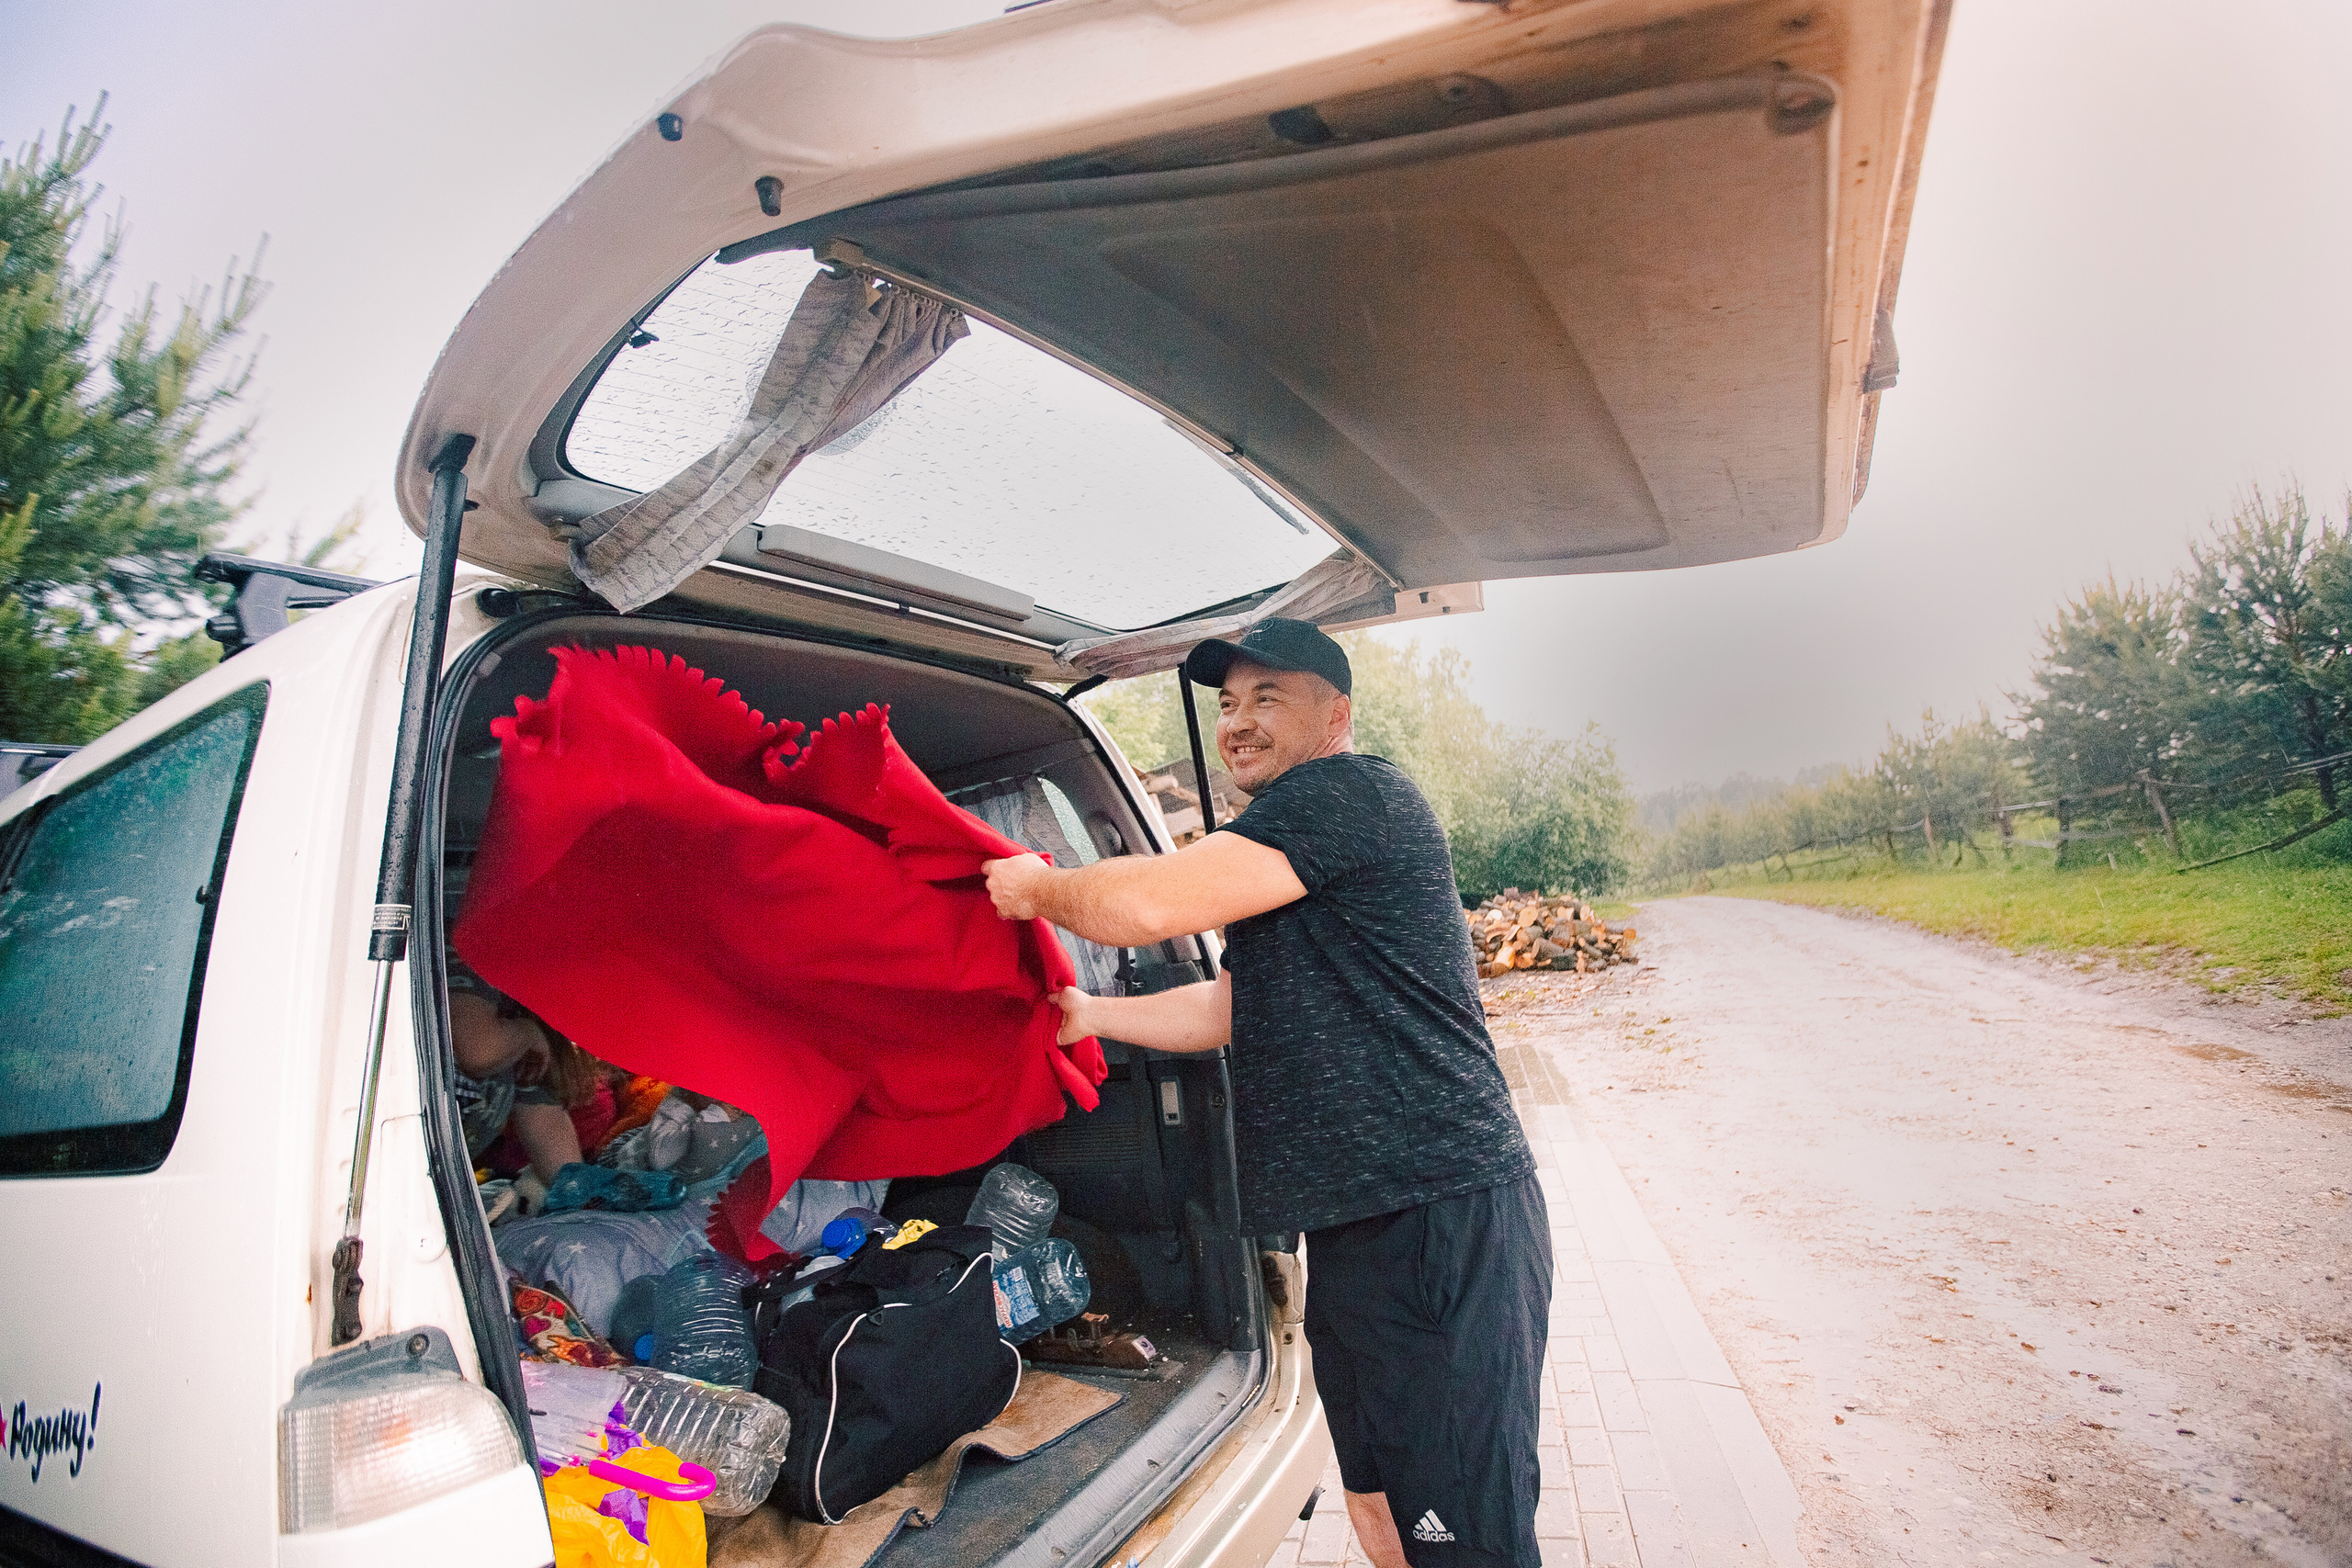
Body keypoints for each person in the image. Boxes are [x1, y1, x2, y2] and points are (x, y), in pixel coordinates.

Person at [982, 618, 1550, 1568]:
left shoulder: (1345, 794)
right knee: (1381, 1503)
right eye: (1228, 704)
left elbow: (1150, 904)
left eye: (1267, 698)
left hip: (1434, 1219)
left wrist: (1038, 889)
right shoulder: (1291, 849)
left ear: (1337, 715)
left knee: (1467, 1536)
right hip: (1361, 1230)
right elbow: (1230, 1007)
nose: (1238, 722)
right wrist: (1091, 1014)